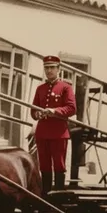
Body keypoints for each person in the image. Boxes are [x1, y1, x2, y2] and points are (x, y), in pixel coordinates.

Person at [30, 55, 77, 193]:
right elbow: (33, 110)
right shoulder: (40, 88)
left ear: (58, 69)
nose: (49, 70)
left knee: (59, 166)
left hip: (58, 134)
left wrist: (54, 111)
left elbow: (72, 108)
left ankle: (59, 195)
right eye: (46, 68)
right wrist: (37, 114)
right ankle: (45, 195)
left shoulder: (66, 88)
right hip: (42, 134)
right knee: (44, 166)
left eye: (52, 67)